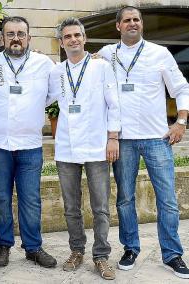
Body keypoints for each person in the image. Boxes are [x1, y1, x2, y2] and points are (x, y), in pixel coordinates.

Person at [98, 6, 189, 279]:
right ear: (118, 26)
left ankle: (172, 254)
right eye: (127, 20)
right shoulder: (106, 54)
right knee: (125, 199)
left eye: (136, 19)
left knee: (168, 200)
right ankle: (130, 248)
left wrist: (181, 122)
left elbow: (181, 87)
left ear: (142, 24)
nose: (132, 23)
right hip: (122, 140)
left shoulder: (159, 53)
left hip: (156, 138)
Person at [0, 16, 57, 268]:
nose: (15, 38)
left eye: (20, 34)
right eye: (10, 34)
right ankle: (3, 245)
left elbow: (54, 93)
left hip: (30, 144)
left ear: (29, 37)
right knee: (1, 197)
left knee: (30, 198)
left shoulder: (44, 64)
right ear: (2, 38)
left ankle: (33, 247)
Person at [48, 18, 120, 280]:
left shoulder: (101, 67)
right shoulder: (56, 71)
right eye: (68, 36)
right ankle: (76, 250)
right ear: (61, 42)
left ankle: (100, 255)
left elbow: (114, 104)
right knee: (71, 207)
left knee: (100, 206)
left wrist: (113, 137)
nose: (73, 39)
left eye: (77, 35)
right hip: (66, 147)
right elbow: (42, 97)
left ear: (84, 38)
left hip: (97, 146)